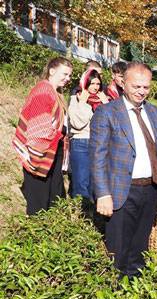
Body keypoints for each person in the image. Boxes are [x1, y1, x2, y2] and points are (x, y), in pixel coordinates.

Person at [90, 62, 157, 278]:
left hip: (149, 189)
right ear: (123, 83)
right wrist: (103, 194)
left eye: (145, 87)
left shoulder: (154, 112)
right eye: (136, 86)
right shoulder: (107, 112)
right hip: (121, 190)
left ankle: (135, 292)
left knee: (140, 246)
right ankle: (114, 292)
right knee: (118, 250)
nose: (141, 92)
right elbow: (97, 157)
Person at [12, 57, 73, 215]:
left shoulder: (55, 92)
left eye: (69, 76)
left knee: (52, 198)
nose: (67, 79)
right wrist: (57, 135)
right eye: (64, 74)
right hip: (41, 152)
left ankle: (50, 235)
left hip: (53, 150)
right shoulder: (44, 90)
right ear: (52, 71)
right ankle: (36, 237)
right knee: (39, 202)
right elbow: (38, 130)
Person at [67, 68, 109, 200]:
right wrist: (83, 103)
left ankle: (91, 216)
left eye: (98, 84)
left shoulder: (103, 99)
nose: (95, 87)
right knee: (81, 183)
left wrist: (106, 104)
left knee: (94, 183)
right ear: (85, 83)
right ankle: (79, 215)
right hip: (81, 143)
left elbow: (112, 122)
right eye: (92, 83)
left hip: (98, 144)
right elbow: (77, 123)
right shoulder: (77, 97)